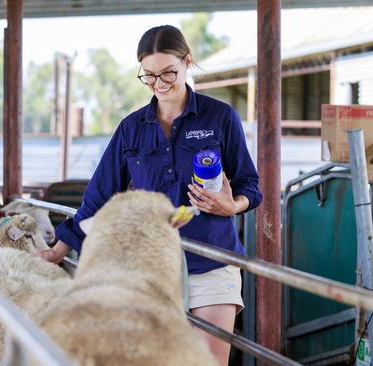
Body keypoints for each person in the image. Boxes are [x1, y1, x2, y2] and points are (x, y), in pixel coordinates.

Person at [37, 24, 262, 365]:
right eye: (150, 76)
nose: (160, 84)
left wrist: (233, 205)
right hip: (150, 267)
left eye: (168, 73)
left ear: (187, 62)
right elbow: (99, 196)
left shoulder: (220, 118)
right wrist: (60, 249)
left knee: (209, 361)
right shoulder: (131, 129)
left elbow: (250, 185)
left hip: (212, 259)